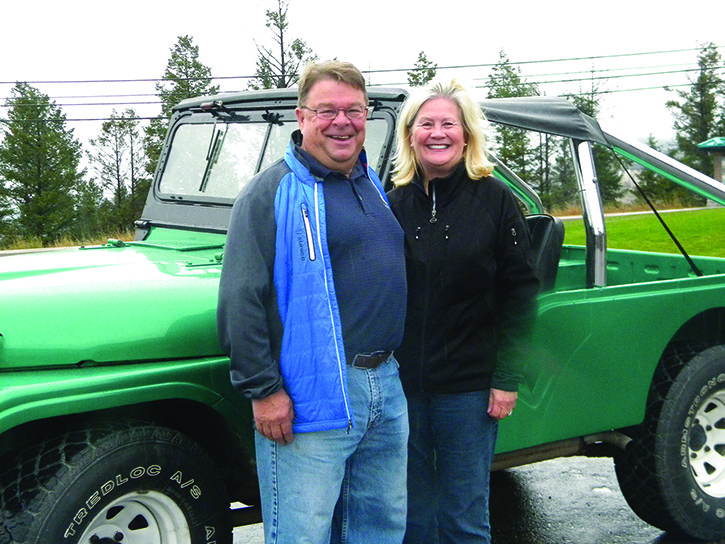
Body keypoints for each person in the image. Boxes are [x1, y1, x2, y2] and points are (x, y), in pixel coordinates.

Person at [217, 60, 409, 544]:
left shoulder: (370, 184)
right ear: (301, 117)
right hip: (310, 396)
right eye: (327, 110)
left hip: (384, 384)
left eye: (354, 110)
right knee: (301, 534)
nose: (341, 122)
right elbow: (241, 299)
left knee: (380, 527)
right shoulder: (269, 192)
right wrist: (263, 390)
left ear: (367, 116)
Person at [387, 80, 540, 544]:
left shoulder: (495, 200)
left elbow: (520, 294)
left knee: (463, 515)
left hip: (470, 391)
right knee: (411, 514)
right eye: (426, 123)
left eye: (448, 123)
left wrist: (506, 377)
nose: (438, 132)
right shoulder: (391, 203)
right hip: (404, 388)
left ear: (467, 133)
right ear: (410, 134)